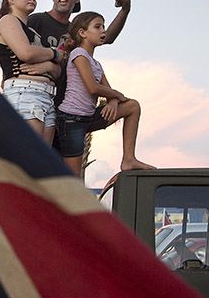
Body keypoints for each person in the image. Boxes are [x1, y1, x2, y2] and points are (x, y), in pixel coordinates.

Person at [27, 0, 132, 166]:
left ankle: (128, 158)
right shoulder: (36, 21)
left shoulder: (77, 31)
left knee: (67, 178)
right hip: (40, 108)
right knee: (36, 169)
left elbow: (106, 36)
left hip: (72, 112)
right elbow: (21, 53)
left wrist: (125, 9)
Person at [57, 11, 155, 176]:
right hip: (71, 120)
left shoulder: (97, 64)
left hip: (88, 118)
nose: (103, 30)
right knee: (74, 178)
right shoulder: (78, 54)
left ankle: (128, 159)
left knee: (132, 106)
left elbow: (108, 91)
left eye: (103, 26)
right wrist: (116, 94)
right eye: (97, 27)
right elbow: (93, 88)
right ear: (82, 33)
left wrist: (114, 101)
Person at [0, 0, 65, 144]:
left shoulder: (32, 31)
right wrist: (54, 53)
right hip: (25, 94)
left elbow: (57, 70)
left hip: (45, 97)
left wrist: (48, 65)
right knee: (29, 160)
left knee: (42, 165)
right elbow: (26, 53)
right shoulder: (8, 21)